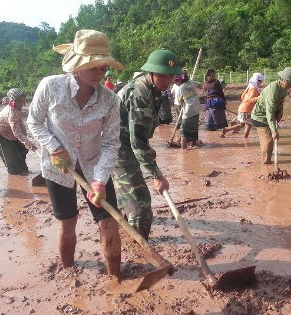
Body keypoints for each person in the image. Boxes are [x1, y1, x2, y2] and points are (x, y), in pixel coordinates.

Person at [26, 29, 124, 278]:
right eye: (93, 66)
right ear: (77, 66)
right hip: (59, 168)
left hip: (94, 167)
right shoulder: (50, 86)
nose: (100, 73)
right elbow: (34, 122)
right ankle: (69, 272)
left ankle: (116, 279)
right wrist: (54, 147)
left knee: (108, 222)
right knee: (67, 223)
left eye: (103, 68)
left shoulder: (110, 101)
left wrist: (100, 180)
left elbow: (111, 143)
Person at [113, 48, 182, 240]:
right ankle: (139, 250)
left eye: (171, 75)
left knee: (127, 197)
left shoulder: (154, 89)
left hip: (127, 146)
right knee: (140, 204)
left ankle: (124, 230)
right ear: (150, 73)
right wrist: (157, 175)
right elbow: (138, 143)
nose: (167, 81)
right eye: (162, 75)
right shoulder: (140, 94)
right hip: (118, 149)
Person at [251, 67, 291, 164]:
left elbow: (280, 103)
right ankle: (265, 166)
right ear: (282, 80)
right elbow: (270, 112)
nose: (290, 86)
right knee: (268, 141)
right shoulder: (273, 91)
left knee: (269, 141)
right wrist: (274, 131)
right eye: (289, 83)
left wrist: (280, 114)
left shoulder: (283, 88)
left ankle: (267, 160)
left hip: (269, 116)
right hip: (260, 117)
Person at [0, 88, 37, 175]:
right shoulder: (11, 112)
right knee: (11, 157)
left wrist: (26, 140)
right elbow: (16, 131)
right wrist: (27, 142)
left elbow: (21, 125)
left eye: (23, 101)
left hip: (10, 133)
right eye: (19, 101)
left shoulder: (17, 109)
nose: (22, 103)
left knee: (21, 151)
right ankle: (15, 175)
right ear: (14, 101)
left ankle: (24, 171)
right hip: (0, 134)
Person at [220, 73, 264, 138]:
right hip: (247, 110)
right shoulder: (254, 89)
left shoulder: (249, 87)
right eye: (260, 82)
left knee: (242, 125)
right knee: (248, 125)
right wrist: (260, 97)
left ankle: (226, 130)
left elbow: (242, 97)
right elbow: (250, 100)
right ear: (257, 81)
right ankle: (245, 140)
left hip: (242, 108)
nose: (261, 83)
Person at [174, 73, 202, 149]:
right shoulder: (192, 82)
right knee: (194, 128)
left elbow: (179, 101)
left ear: (179, 81)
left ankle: (183, 148)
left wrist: (182, 104)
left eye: (175, 82)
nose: (175, 84)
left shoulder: (181, 88)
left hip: (187, 111)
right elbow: (200, 85)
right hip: (196, 109)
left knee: (184, 131)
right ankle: (193, 144)